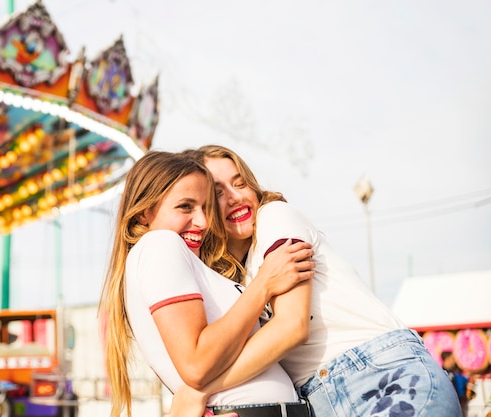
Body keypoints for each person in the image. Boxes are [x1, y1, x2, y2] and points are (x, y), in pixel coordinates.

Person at [173, 144, 462, 417]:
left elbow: (292, 326)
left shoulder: (274, 219)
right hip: (324, 398)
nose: (235, 197)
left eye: (240, 183)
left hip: (379, 375)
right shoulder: (239, 278)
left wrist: (204, 389)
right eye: (218, 191)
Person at [98, 151, 315, 417]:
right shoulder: (160, 244)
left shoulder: (172, 257)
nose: (202, 222)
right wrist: (263, 285)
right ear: (144, 213)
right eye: (185, 207)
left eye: (205, 208)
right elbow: (196, 365)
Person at [442, 351, 476, 416]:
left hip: (460, 403)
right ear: (447, 359)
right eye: (452, 358)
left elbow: (467, 380)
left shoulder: (455, 372)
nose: (454, 361)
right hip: (450, 405)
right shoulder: (442, 374)